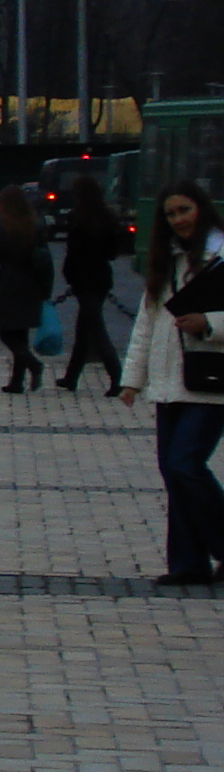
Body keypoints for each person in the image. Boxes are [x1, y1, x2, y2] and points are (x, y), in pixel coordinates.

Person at [119, 181, 224, 588]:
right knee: (173, 470)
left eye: (185, 210)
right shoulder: (167, 261)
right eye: (171, 214)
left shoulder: (219, 254)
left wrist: (210, 325)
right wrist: (132, 378)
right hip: (168, 379)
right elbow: (147, 324)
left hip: (211, 379)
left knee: (185, 463)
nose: (179, 219)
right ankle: (188, 563)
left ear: (202, 208)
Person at [56, 174, 128, 394]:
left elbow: (73, 252)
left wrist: (69, 273)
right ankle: (71, 376)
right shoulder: (108, 217)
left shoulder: (77, 218)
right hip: (100, 276)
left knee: (96, 329)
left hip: (82, 276)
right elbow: (113, 252)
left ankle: (117, 376)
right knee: (85, 327)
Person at [0, 184, 54, 393]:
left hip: (8, 283)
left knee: (6, 331)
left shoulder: (1, 229)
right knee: (21, 332)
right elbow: (45, 259)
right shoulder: (36, 226)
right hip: (31, 282)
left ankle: (32, 364)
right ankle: (17, 380)